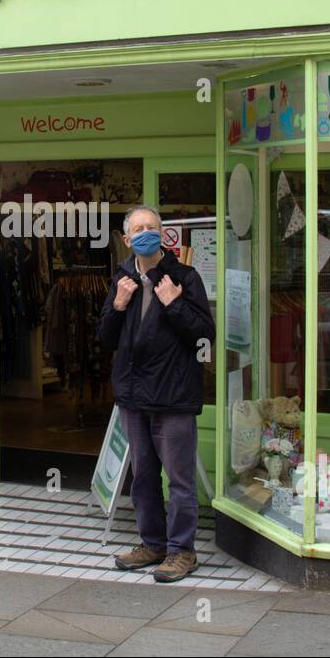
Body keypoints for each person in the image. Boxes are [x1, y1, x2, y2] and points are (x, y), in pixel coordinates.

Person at [96, 205, 216, 582]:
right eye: (138, 228)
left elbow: (204, 337)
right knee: (143, 476)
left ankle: (183, 551)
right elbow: (105, 338)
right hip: (134, 398)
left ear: (163, 234)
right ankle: (153, 544)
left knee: (179, 480)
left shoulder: (184, 277)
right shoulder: (123, 278)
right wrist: (117, 305)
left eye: (152, 226)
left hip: (174, 398)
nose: (145, 232)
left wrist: (174, 303)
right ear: (126, 239)